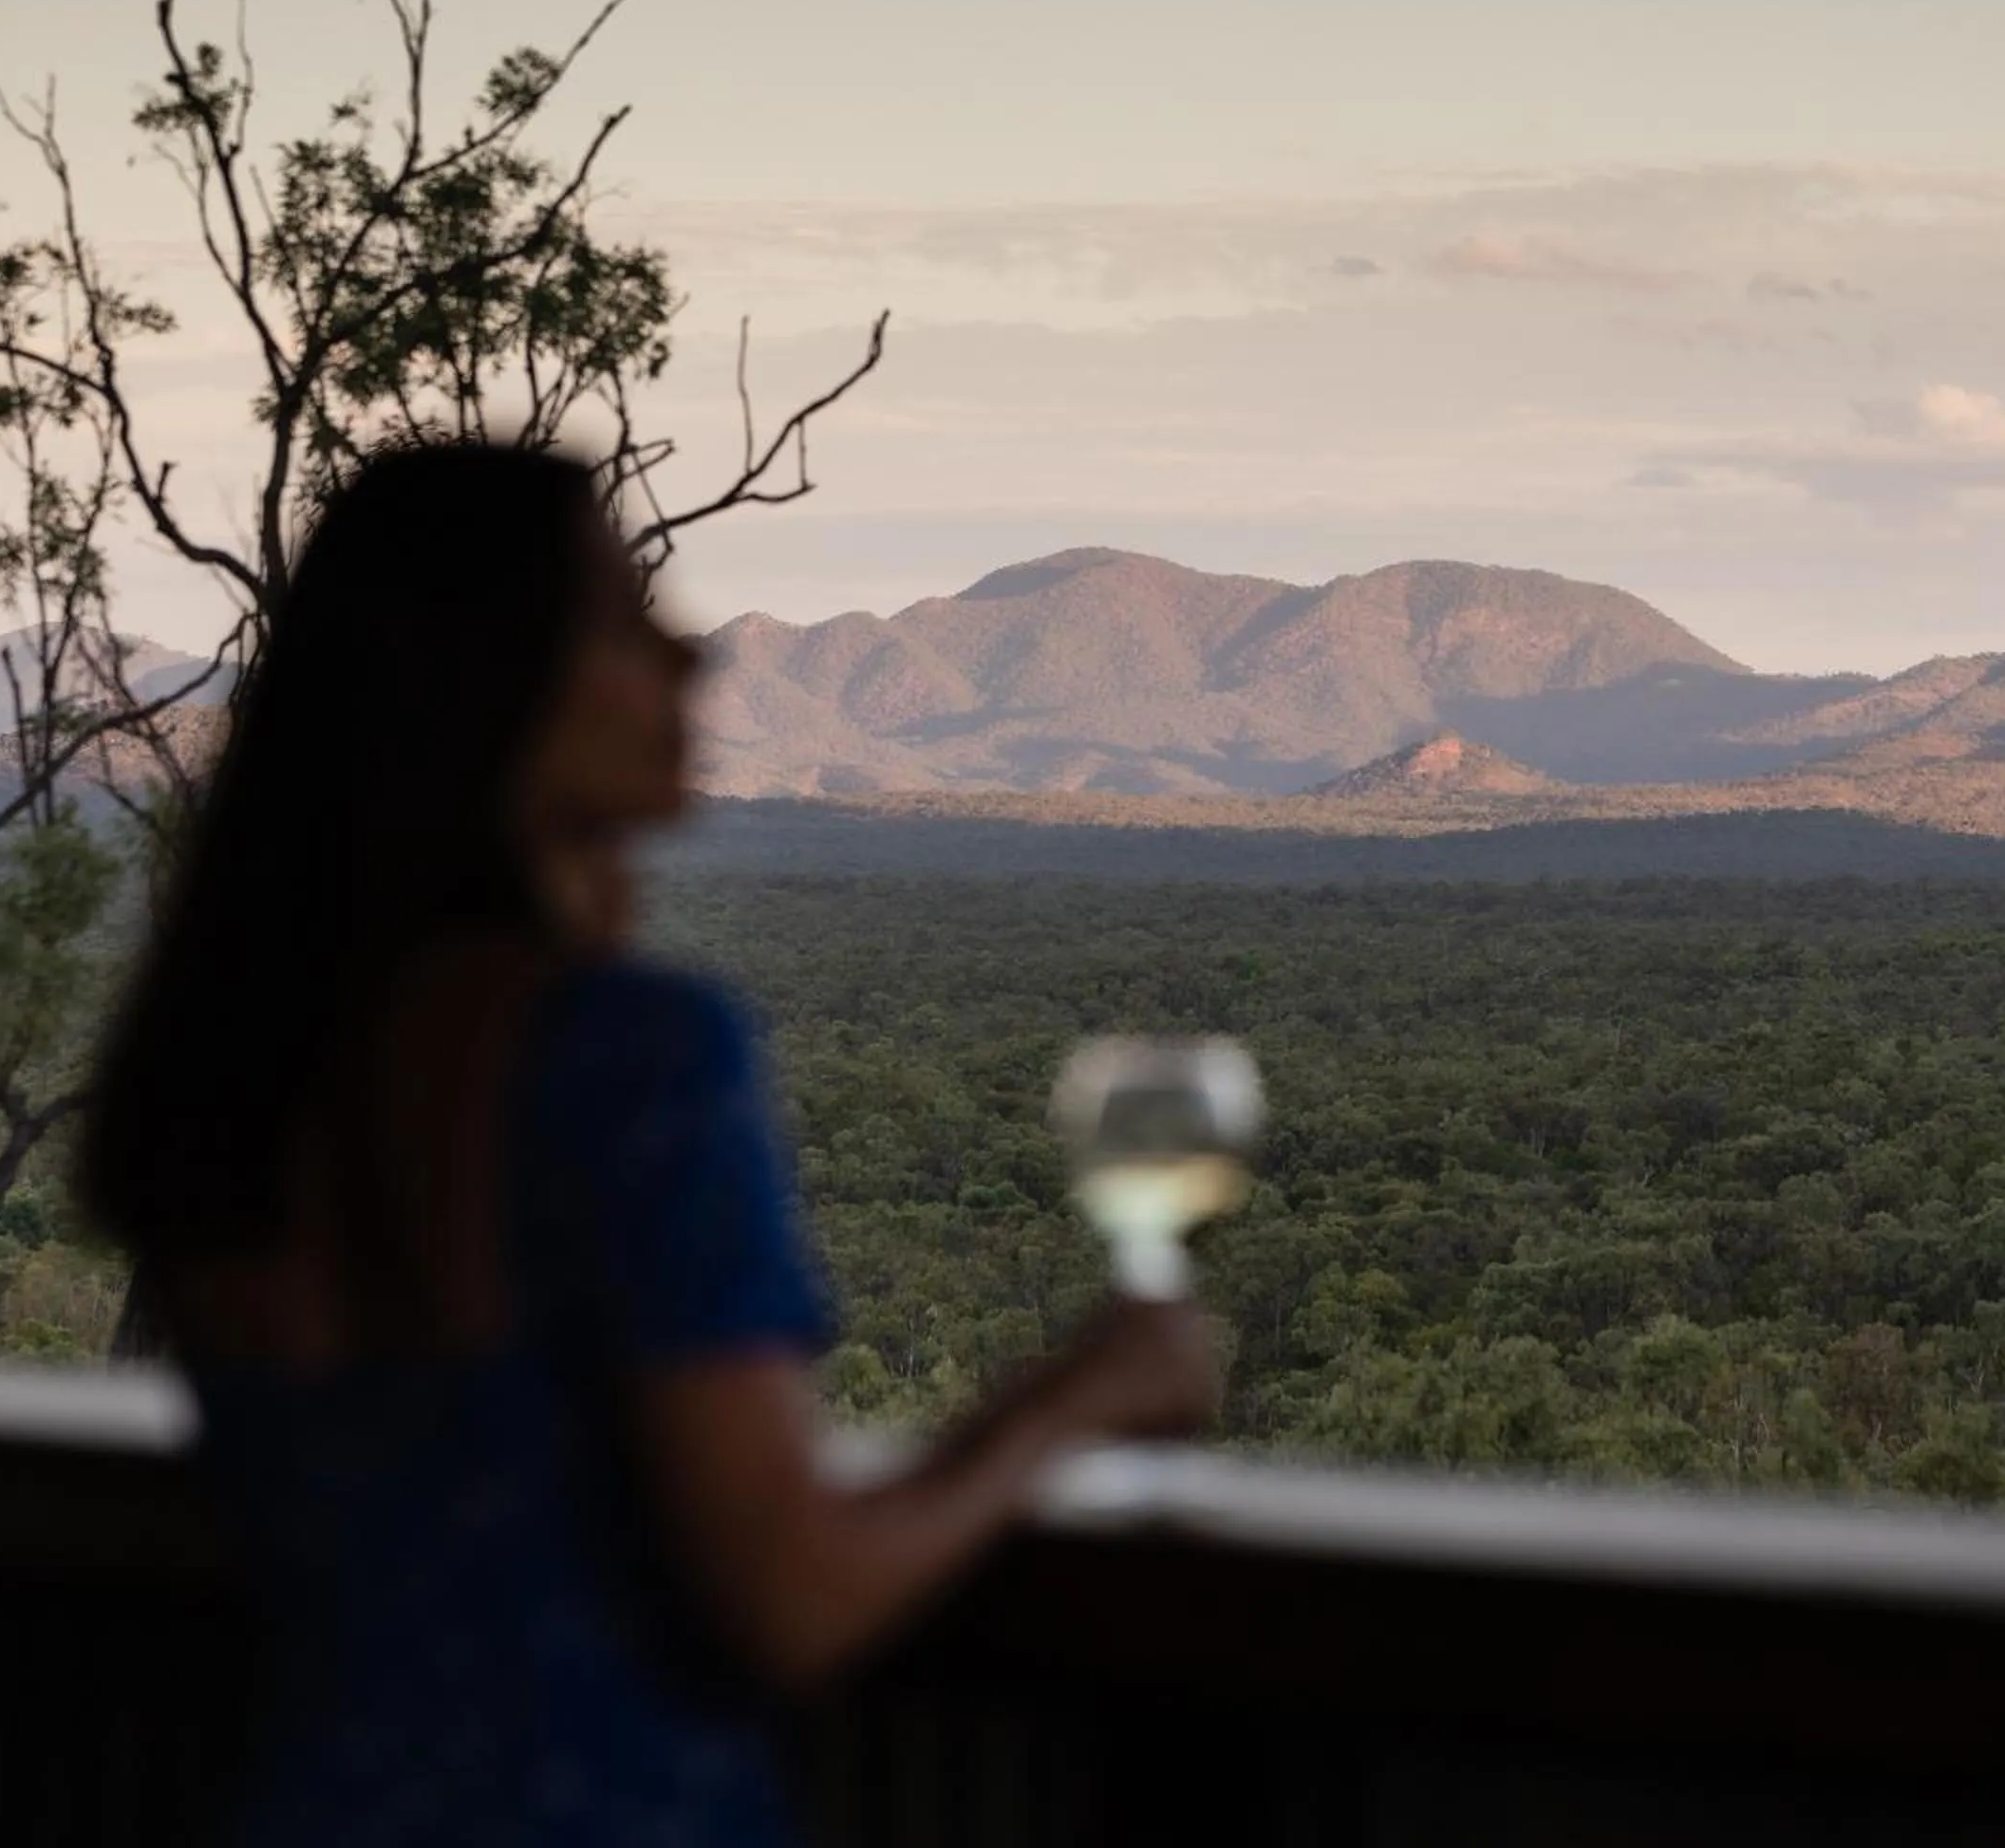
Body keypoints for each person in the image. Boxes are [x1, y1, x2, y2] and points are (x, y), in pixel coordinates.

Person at [80, 444, 1219, 1847]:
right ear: (486, 680)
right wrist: (1071, 1401)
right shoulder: (627, 1061)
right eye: (624, 616)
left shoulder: (250, 1060)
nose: (689, 655)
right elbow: (791, 1602)